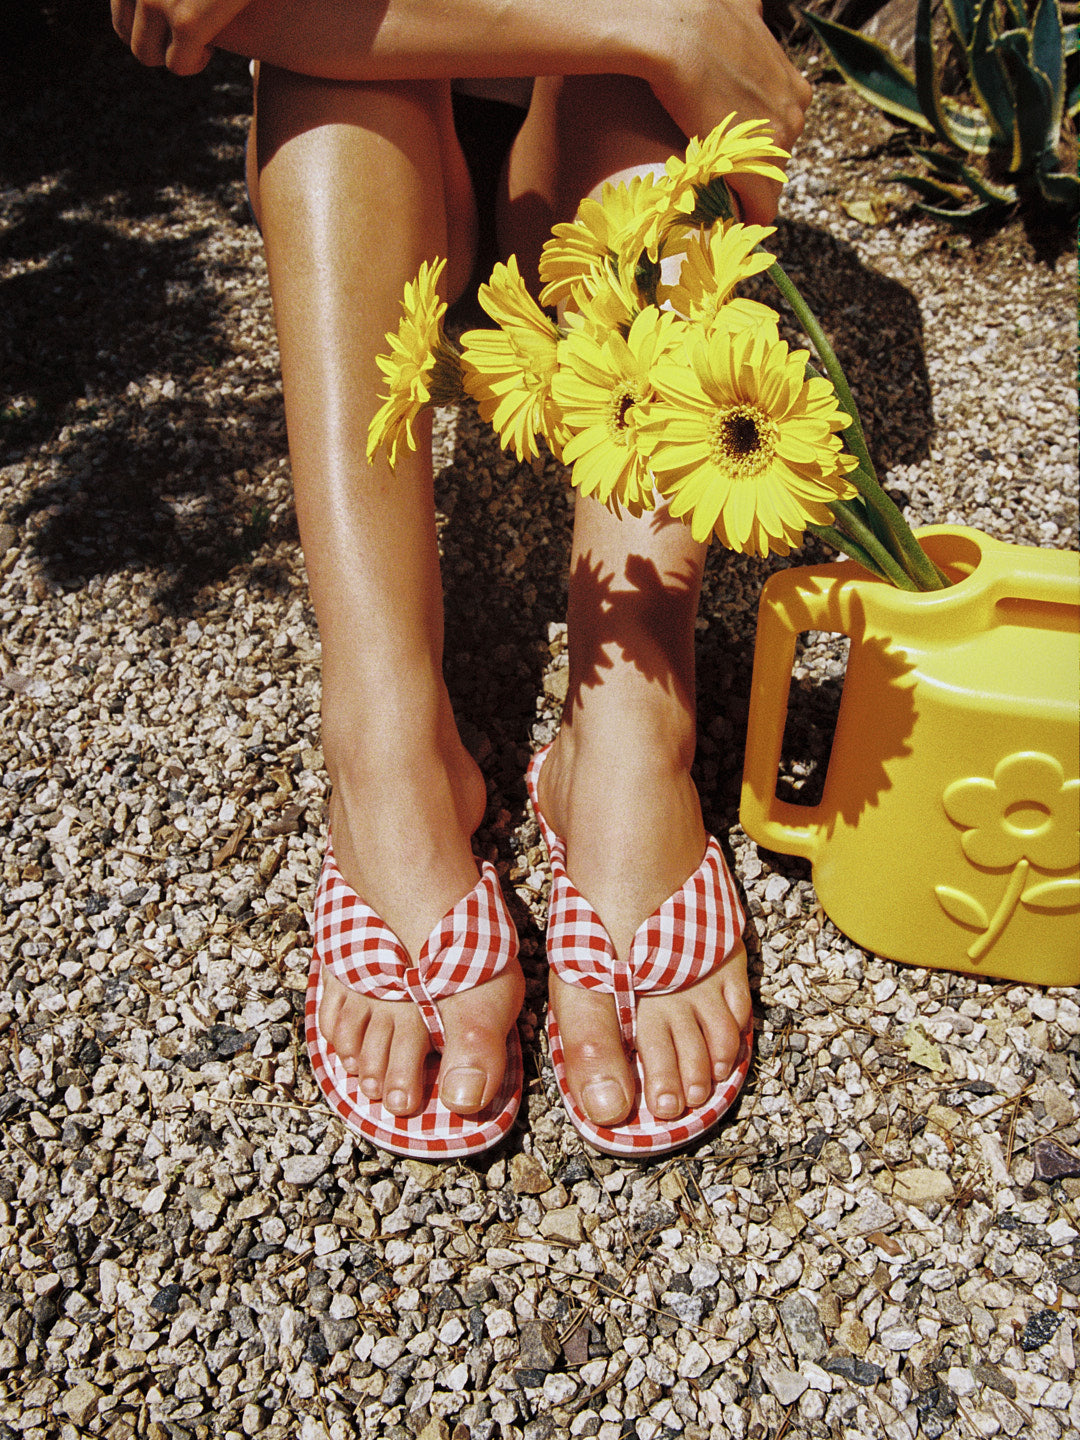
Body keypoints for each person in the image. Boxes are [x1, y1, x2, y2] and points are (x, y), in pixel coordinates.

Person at [111, 0, 812, 1156]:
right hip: (389, 180)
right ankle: (385, 740)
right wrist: (662, 23)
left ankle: (633, 728)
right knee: (338, 88)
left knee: (654, 118)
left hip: (577, 175)